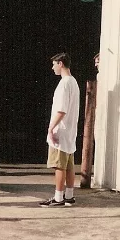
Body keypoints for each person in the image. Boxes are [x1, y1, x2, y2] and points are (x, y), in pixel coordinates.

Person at [39, 52, 80, 207]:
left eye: (54, 64)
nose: (53, 67)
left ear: (61, 63)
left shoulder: (64, 84)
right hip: (70, 130)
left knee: (59, 165)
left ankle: (58, 197)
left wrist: (51, 128)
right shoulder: (74, 82)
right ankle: (69, 195)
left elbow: (61, 110)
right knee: (69, 165)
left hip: (61, 130)